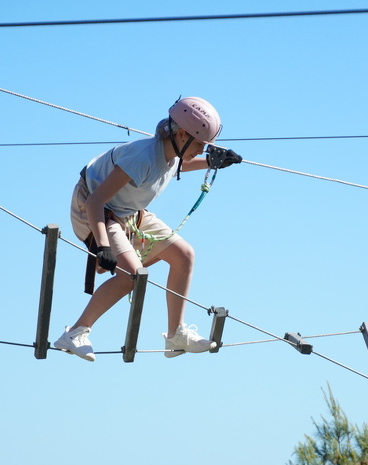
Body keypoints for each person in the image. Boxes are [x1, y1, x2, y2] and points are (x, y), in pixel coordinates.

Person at [54, 96, 242, 362]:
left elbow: (180, 164)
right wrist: (104, 246)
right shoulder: (141, 157)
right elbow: (96, 201)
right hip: (95, 210)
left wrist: (213, 162)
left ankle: (176, 335)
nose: (201, 150)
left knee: (184, 255)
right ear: (180, 134)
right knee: (132, 276)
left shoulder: (169, 152)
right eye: (199, 144)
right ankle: (74, 333)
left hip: (127, 212)